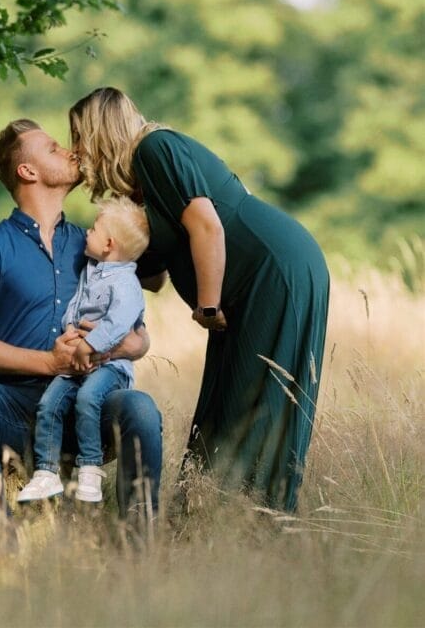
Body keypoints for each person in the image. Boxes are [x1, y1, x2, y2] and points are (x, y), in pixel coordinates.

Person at [69, 87, 330, 513]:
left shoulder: (156, 149)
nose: (76, 150)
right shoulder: (141, 190)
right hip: (253, 282)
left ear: (100, 133)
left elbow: (207, 225)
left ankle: (259, 519)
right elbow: (149, 277)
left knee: (258, 398)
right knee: (227, 400)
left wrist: (207, 306)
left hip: (272, 268)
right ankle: (213, 516)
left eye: (79, 137)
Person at [0, 119, 162, 523]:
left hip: (87, 405)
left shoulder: (97, 243)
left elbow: (138, 332)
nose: (70, 152)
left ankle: (139, 546)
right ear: (28, 171)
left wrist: (121, 347)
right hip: (14, 407)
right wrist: (50, 363)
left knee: (140, 408)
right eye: (53, 149)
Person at [17, 197, 149, 504]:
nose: (86, 233)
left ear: (108, 244)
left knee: (89, 398)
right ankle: (46, 473)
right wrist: (70, 332)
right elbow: (75, 306)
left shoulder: (126, 283)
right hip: (78, 361)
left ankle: (90, 468)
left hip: (109, 368)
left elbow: (119, 323)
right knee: (49, 403)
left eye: (93, 229)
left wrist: (89, 345)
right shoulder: (93, 269)